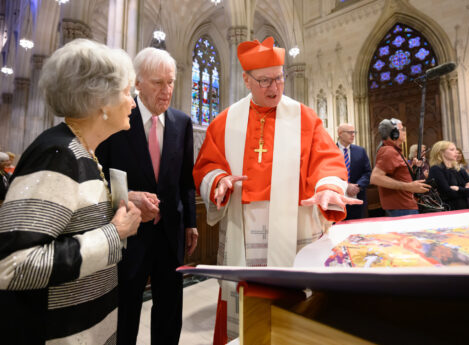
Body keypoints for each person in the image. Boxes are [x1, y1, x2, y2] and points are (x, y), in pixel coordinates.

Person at [193, 37, 361, 343]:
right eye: (265, 80)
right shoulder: (224, 121)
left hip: (294, 227)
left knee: (296, 310)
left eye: (280, 78)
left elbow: (327, 159)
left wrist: (326, 187)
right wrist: (218, 181)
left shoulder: (305, 117)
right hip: (242, 229)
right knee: (247, 311)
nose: (275, 88)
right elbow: (206, 165)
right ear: (246, 79)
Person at [0, 39, 142, 344]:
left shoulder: (84, 152)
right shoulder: (58, 153)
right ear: (101, 100)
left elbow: (73, 219)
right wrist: (114, 234)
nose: (133, 101)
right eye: (127, 92)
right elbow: (12, 265)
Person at [96, 47, 198, 345]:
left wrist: (191, 222)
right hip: (129, 235)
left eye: (170, 82)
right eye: (158, 83)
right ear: (137, 83)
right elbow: (97, 176)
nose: (166, 91)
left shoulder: (182, 123)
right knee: (125, 311)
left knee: (169, 311)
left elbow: (185, 181)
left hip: (169, 234)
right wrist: (126, 198)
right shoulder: (116, 121)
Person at [370, 118, 431, 217]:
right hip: (401, 207)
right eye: (402, 130)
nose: (404, 132)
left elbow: (397, 173)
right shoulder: (389, 151)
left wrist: (412, 166)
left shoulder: (394, 150)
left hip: (405, 205)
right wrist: (409, 186)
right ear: (394, 133)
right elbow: (376, 178)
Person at [336, 123, 372, 219]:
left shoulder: (360, 151)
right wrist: (346, 186)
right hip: (337, 199)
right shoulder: (330, 150)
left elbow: (367, 172)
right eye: (349, 132)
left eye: (354, 132)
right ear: (340, 133)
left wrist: (358, 186)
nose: (353, 135)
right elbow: (327, 173)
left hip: (357, 198)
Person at [427, 141, 469, 210]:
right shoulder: (436, 169)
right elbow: (448, 193)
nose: (456, 152)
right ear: (441, 152)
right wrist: (465, 189)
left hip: (464, 207)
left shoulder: (459, 169)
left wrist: (458, 188)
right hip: (448, 209)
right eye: (452, 150)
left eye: (455, 149)